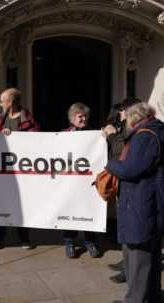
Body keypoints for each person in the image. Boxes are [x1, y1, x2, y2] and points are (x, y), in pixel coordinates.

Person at [107, 102, 164, 303]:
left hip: (143, 203)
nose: (125, 123)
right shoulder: (156, 131)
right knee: (150, 256)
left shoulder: (145, 136)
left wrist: (110, 164)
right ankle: (152, 297)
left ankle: (136, 300)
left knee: (138, 257)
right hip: (150, 201)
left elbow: (129, 169)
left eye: (127, 120)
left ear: (135, 118)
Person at [0, 88, 39, 249]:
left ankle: (24, 238)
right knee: (0, 202)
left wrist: (15, 135)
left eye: (3, 100)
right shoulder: (1, 118)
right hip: (2, 170)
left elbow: (37, 138)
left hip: (20, 171)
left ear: (12, 102)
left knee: (21, 204)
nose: (0, 103)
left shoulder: (27, 119)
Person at [102, 98, 141, 283]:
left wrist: (111, 136)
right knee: (125, 228)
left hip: (134, 189)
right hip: (127, 187)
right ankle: (126, 264)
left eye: (122, 111)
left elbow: (121, 151)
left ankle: (130, 271)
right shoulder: (132, 126)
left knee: (131, 230)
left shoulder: (137, 129)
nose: (120, 114)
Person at [62, 102, 100, 258]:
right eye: (80, 116)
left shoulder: (95, 134)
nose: (83, 118)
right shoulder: (63, 135)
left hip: (88, 181)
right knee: (69, 210)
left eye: (85, 116)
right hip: (69, 180)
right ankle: (69, 242)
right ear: (72, 118)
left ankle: (90, 242)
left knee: (88, 209)